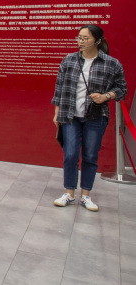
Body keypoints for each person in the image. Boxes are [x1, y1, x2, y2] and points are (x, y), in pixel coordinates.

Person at [52, 24, 127, 212]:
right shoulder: (69, 60)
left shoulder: (111, 63)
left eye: (85, 38)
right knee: (70, 154)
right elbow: (59, 88)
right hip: (70, 115)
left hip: (96, 116)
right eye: (79, 37)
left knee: (90, 156)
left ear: (98, 40)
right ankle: (69, 193)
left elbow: (121, 89)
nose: (81, 41)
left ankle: (85, 195)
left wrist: (106, 96)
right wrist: (56, 113)